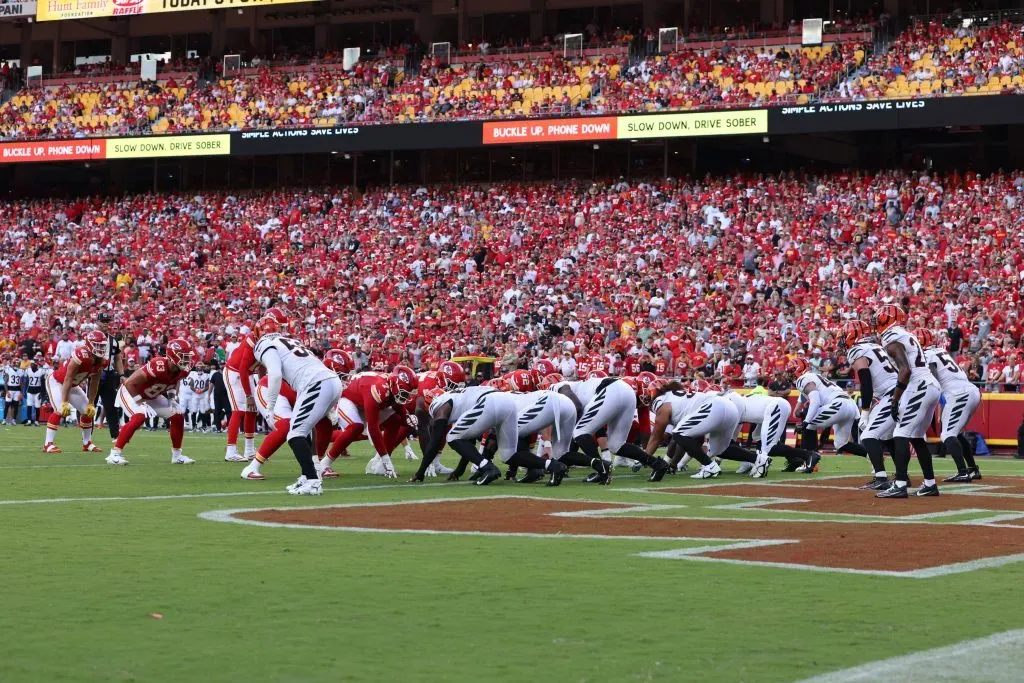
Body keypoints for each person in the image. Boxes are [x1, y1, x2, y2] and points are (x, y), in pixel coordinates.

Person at [409, 384, 566, 485]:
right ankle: (553, 466)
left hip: (490, 402)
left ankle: (489, 468)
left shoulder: (439, 403)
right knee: (509, 455)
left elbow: (436, 441)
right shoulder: (458, 398)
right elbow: (469, 441)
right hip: (507, 401)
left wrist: (420, 472)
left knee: (452, 436)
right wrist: (459, 471)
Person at [254, 331, 343, 495]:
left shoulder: (264, 344)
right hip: (329, 381)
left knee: (295, 435)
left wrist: (270, 407)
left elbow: (275, 374)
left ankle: (313, 482)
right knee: (303, 431)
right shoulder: (290, 342)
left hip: (315, 383)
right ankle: (306, 476)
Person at [873, 305, 942, 498]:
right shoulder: (904, 334)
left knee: (900, 433)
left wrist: (895, 400)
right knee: (917, 437)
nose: (876, 322)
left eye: (879, 318)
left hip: (919, 385)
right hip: (929, 385)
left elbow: (905, 370)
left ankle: (900, 484)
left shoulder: (891, 337)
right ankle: (930, 484)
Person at [107, 338, 197, 466]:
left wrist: (172, 399)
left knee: (177, 415)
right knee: (140, 416)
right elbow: (129, 383)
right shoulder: (158, 365)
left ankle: (177, 456)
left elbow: (173, 382)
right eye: (184, 356)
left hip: (151, 395)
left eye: (188, 356)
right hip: (130, 392)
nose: (187, 360)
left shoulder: (183, 370)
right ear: (173, 355)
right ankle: (114, 454)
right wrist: (140, 402)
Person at [842, 319, 899, 490]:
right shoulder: (877, 347)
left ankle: (881, 478)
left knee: (868, 436)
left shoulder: (857, 350)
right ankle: (902, 476)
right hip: (900, 390)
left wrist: (865, 411)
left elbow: (865, 380)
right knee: (889, 437)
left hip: (891, 393)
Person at [921, 329, 982, 482]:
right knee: (956, 433)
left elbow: (934, 379)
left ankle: (962, 472)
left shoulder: (927, 356)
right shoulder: (941, 351)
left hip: (959, 394)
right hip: (970, 390)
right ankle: (972, 469)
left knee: (947, 435)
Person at [42, 330, 109, 453]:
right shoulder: (81, 355)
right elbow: (68, 379)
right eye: (97, 345)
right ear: (89, 344)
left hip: (73, 385)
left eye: (102, 346)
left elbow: (94, 383)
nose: (100, 349)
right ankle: (48, 444)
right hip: (57, 382)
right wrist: (64, 401)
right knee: (60, 410)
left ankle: (87, 443)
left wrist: (91, 403)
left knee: (88, 411)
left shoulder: (102, 361)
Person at [96, 313, 124, 439]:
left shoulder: (113, 340)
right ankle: (87, 438)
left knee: (112, 407)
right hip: (95, 375)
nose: (105, 324)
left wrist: (122, 374)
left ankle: (115, 437)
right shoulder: (91, 338)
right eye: (103, 321)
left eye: (107, 321)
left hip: (109, 375)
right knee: (90, 405)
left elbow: (117, 359)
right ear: (97, 322)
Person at [23, 355, 46, 426]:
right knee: (29, 405)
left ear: (36, 365)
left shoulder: (41, 371)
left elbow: (43, 384)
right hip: (30, 390)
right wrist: (24, 390)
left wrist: (42, 393)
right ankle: (29, 420)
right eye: (31, 364)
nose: (31, 365)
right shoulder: (28, 370)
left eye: (32, 364)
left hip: (38, 391)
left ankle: (36, 421)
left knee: (37, 407)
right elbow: (26, 382)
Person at [4, 355, 25, 425]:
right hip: (10, 389)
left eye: (18, 363)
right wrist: (7, 391)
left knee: (16, 405)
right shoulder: (8, 370)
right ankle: (4, 419)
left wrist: (21, 392)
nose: (16, 364)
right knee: (7, 404)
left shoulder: (21, 371)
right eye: (15, 363)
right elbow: (5, 382)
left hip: (17, 390)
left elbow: (21, 383)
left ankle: (14, 420)